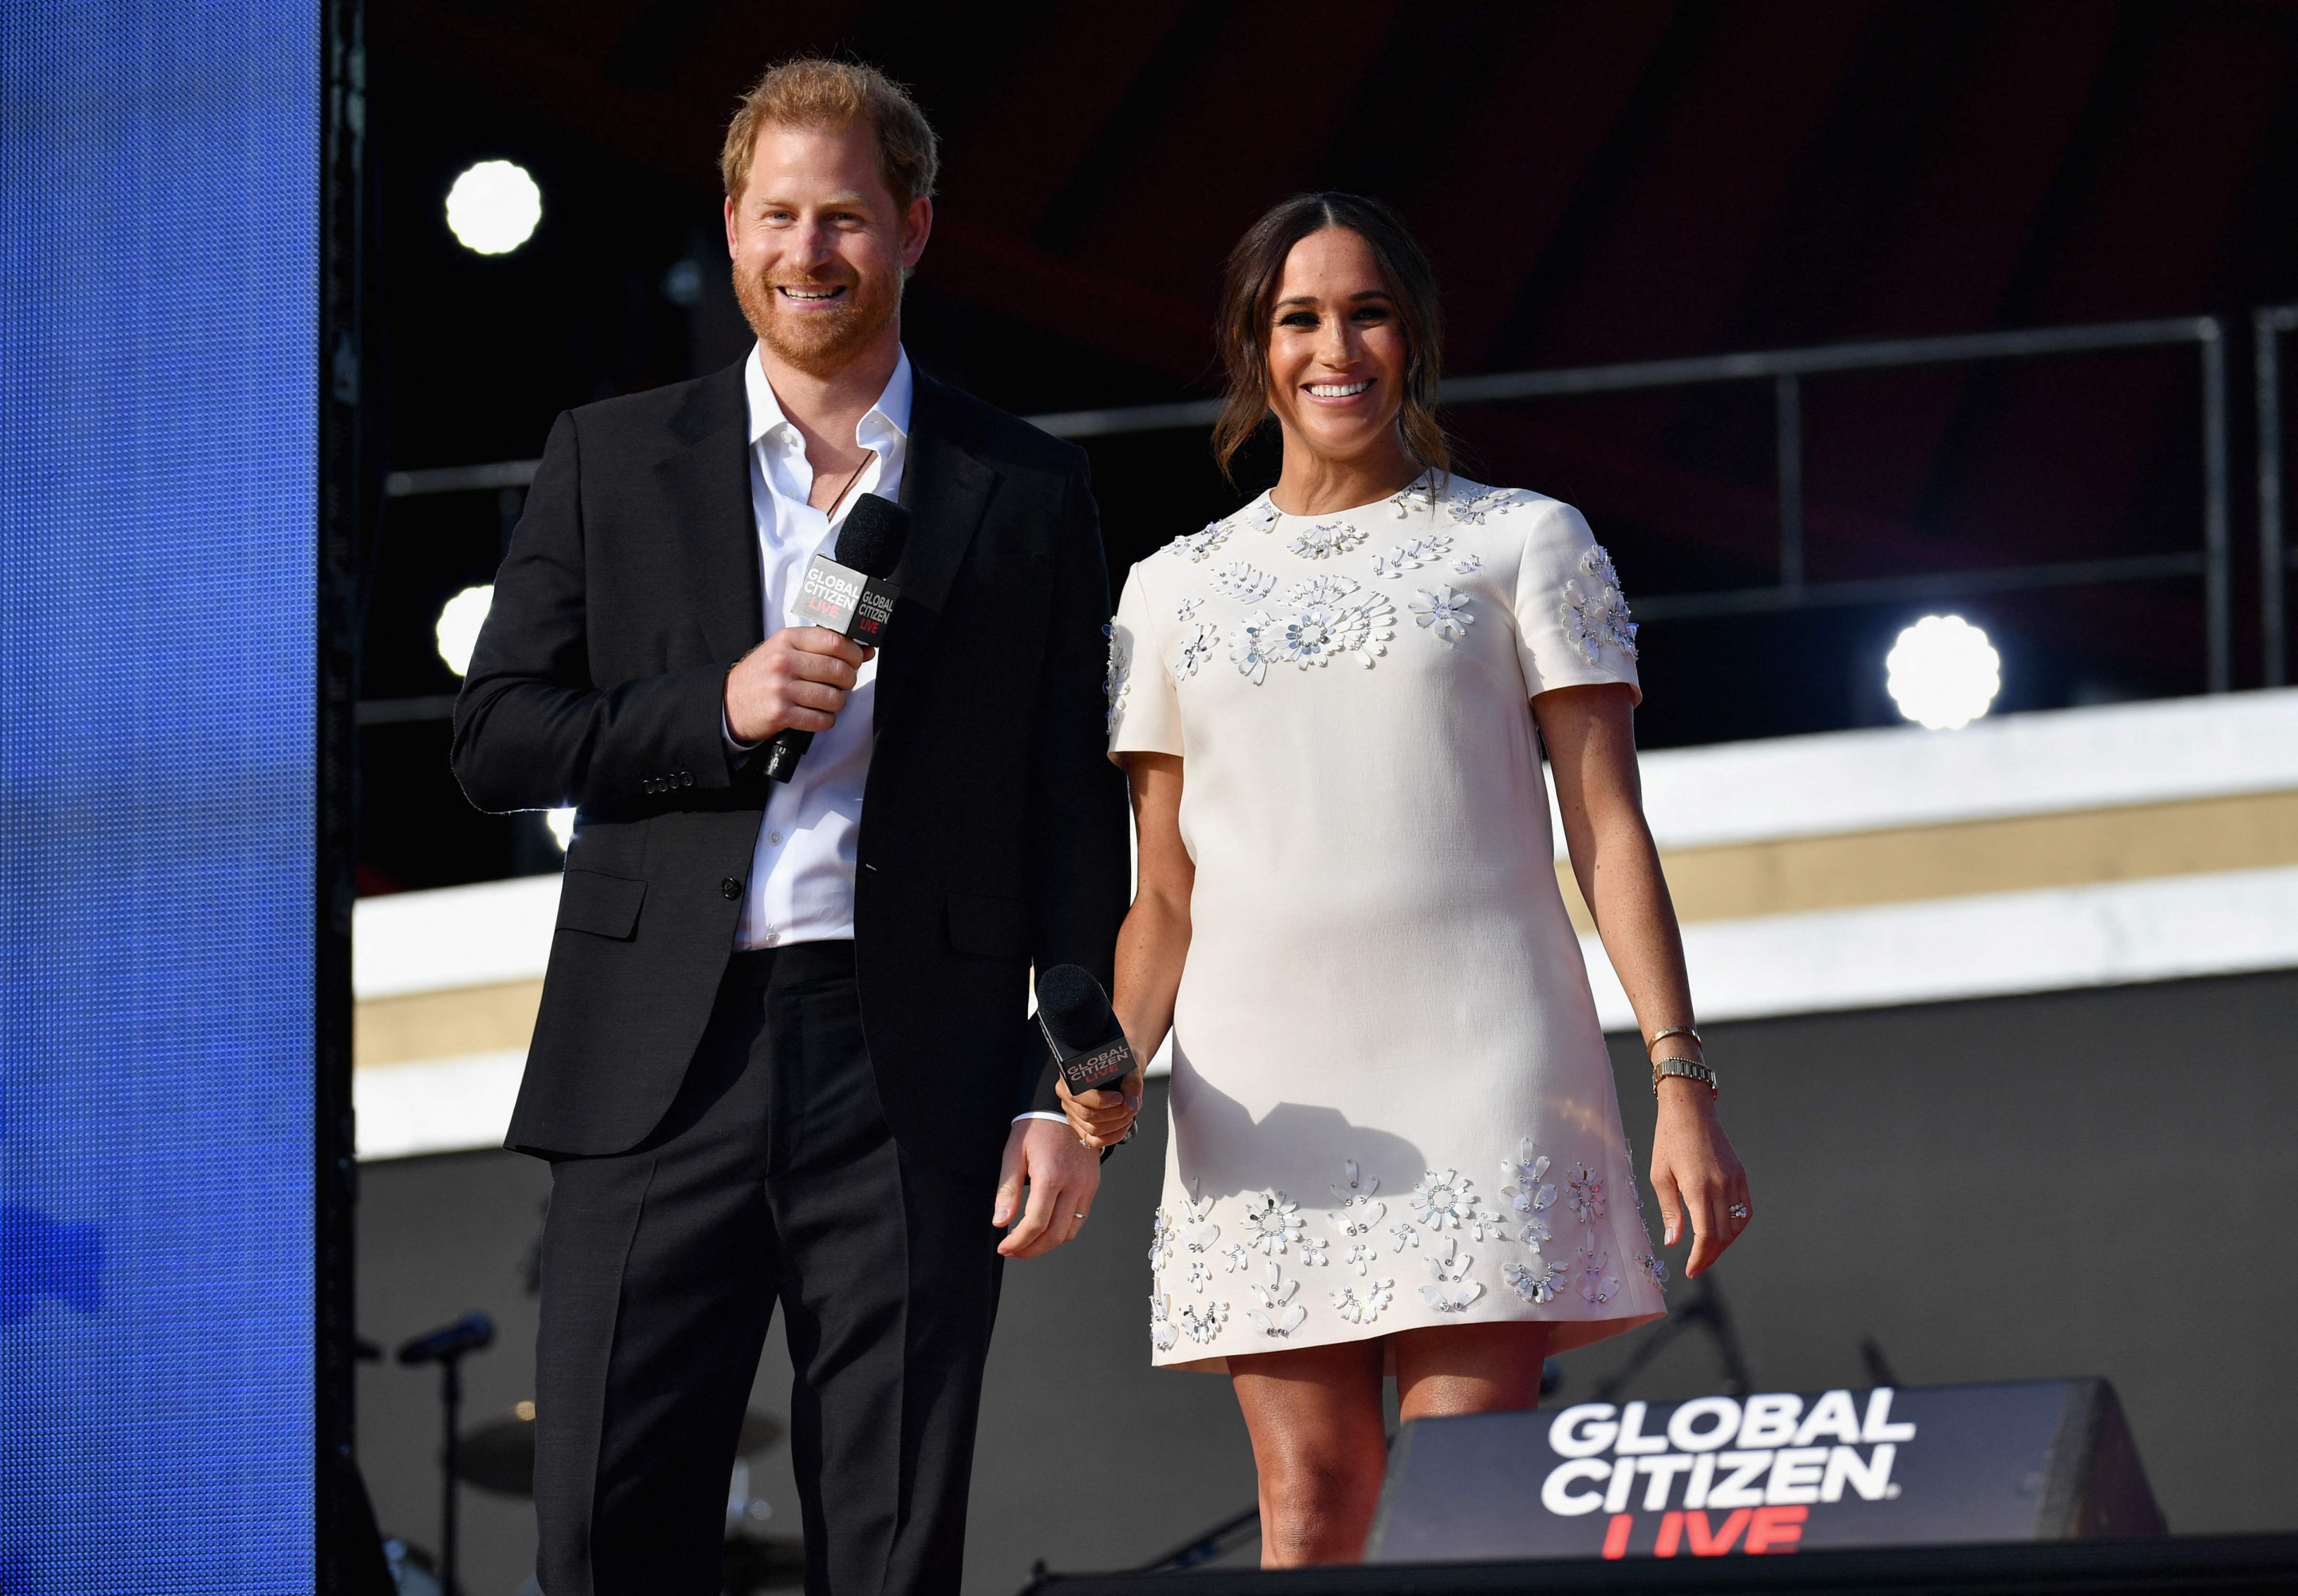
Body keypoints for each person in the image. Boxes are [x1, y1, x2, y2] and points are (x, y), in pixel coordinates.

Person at [452, 58, 1129, 1596]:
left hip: (914, 1063)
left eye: (844, 218)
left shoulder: (1024, 487)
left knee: (892, 1540)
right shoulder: (610, 457)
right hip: (655, 1063)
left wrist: (1065, 1081)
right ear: (732, 225)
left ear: (915, 227)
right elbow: (497, 739)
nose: (806, 251)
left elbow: (1071, 808)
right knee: (603, 1532)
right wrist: (718, 706)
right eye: (776, 216)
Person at [1070, 193, 1750, 1567]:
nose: (1337, 348)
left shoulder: (1524, 540)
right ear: (1254, 349)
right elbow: (1167, 894)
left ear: (1415, 336)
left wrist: (1680, 1081)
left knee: (1463, 1505)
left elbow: (1608, 831)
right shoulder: (1171, 590)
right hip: (1265, 1090)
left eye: (1367, 312)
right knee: (1310, 1509)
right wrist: (1110, 1067)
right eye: (1300, 318)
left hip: (1487, 1064)